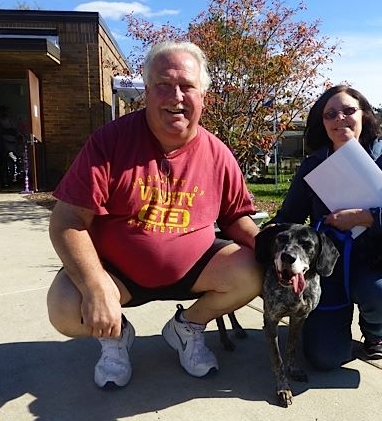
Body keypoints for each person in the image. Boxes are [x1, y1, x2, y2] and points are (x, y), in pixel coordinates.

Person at [47, 41, 263, 388]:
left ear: (203, 95)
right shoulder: (110, 142)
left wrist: (269, 246)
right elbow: (67, 222)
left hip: (194, 269)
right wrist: (95, 286)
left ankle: (187, 328)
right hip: (119, 273)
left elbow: (237, 215)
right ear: (146, 92)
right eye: (163, 84)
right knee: (64, 307)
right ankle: (114, 337)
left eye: (187, 86)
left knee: (254, 268)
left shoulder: (218, 153)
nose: (176, 96)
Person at [267, 85, 382, 370]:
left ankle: (375, 330)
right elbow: (289, 217)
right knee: (324, 359)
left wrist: (363, 216)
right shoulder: (312, 165)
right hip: (327, 267)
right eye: (330, 114)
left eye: (348, 111)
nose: (339, 118)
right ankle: (327, 327)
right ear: (322, 123)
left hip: (377, 263)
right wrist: (256, 234)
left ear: (365, 115)